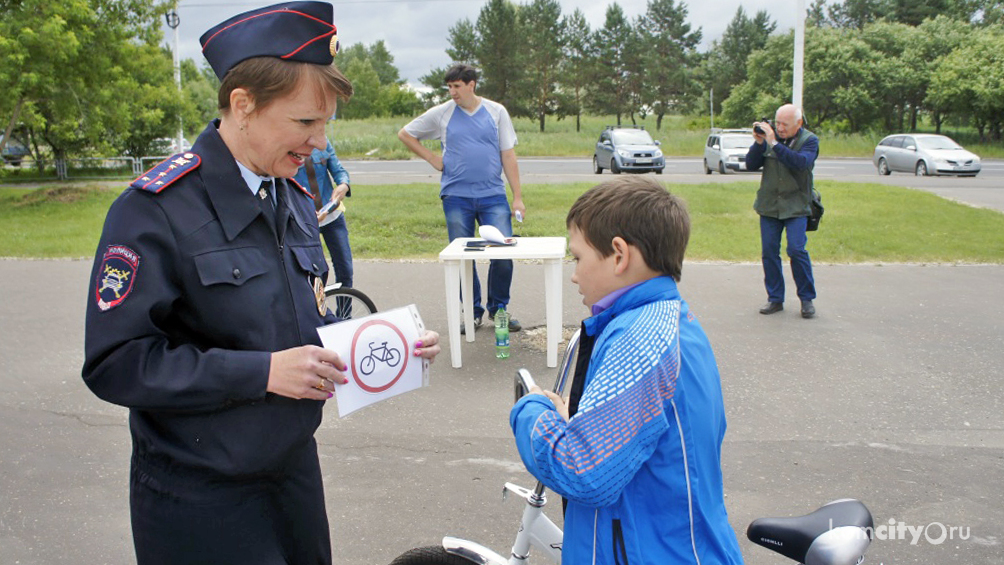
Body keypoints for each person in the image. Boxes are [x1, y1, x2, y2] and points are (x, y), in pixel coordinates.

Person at [80, 3, 440, 564]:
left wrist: (383, 345)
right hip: (200, 496)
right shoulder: (154, 211)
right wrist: (263, 372)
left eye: (326, 125)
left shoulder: (293, 196)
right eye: (304, 123)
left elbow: (300, 321)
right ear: (243, 105)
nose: (319, 143)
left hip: (293, 474)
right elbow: (116, 362)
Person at [509, 177, 744, 565]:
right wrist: (581, 419)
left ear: (618, 254)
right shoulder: (667, 320)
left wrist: (532, 411)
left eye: (579, 258)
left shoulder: (639, 340)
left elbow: (582, 471)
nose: (573, 274)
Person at [397, 64, 525, 334]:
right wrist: (432, 158)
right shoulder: (443, 113)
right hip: (456, 197)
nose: (452, 92)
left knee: (503, 254)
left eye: (457, 86)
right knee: (462, 257)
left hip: (493, 196)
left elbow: (508, 155)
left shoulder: (496, 112)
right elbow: (405, 134)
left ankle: (499, 309)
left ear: (472, 85)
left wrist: (517, 197)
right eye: (449, 87)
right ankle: (473, 312)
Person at [746, 103, 819, 319]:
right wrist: (759, 144)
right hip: (770, 205)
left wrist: (774, 143)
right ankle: (775, 298)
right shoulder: (769, 139)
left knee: (797, 250)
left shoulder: (809, 141)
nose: (779, 127)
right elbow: (750, 164)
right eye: (777, 123)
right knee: (769, 252)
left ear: (799, 123)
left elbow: (800, 163)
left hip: (796, 205)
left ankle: (807, 299)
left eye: (784, 124)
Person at [293, 136, 354, 309]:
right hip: (304, 220)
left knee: (345, 269)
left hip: (332, 216)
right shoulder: (288, 144)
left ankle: (344, 316)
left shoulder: (322, 142)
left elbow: (339, 171)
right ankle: (314, 316)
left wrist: (344, 185)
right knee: (315, 273)